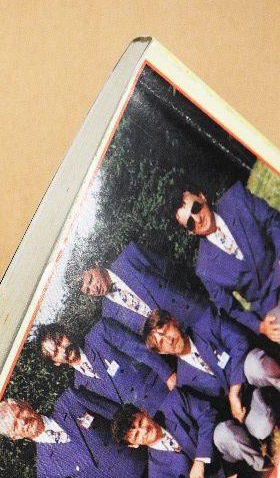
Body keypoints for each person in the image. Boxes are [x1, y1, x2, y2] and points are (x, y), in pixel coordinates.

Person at [0, 387, 146, 478]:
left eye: (20, 412)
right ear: (15, 437)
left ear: (27, 404)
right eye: (15, 425)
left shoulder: (69, 400)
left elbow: (117, 413)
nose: (23, 421)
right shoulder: (45, 470)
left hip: (144, 457)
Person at [142, 308, 278, 455]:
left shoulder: (205, 323)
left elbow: (240, 342)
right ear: (162, 352)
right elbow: (215, 410)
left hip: (254, 375)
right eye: (161, 342)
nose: (169, 340)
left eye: (165, 330)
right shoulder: (183, 382)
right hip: (246, 405)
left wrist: (234, 389)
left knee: (255, 365)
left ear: (173, 320)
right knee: (262, 428)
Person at [110, 391, 245, 478]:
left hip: (226, 451)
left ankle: (254, 464)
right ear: (133, 445)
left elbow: (207, 414)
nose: (144, 430)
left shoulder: (173, 402)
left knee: (225, 433)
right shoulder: (156, 475)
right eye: (137, 435)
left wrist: (201, 458)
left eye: (140, 422)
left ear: (143, 412)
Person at [174, 181, 280, 343]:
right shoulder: (204, 268)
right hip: (269, 302)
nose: (198, 219)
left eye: (195, 208)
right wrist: (260, 326)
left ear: (202, 197)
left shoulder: (236, 198)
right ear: (190, 232)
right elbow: (230, 308)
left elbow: (273, 221)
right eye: (190, 223)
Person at [36, 321, 171, 415]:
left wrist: (169, 375)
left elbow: (143, 350)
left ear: (66, 333)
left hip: (166, 391)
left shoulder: (101, 332)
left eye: (60, 340)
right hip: (150, 423)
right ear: (55, 363)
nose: (63, 349)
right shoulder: (80, 388)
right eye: (55, 352)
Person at [80, 242, 208, 336]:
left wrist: (203, 295)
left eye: (91, 280)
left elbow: (174, 270)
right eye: (88, 290)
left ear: (95, 264)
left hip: (197, 314)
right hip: (176, 345)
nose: (94, 289)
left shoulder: (130, 256)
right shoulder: (109, 315)